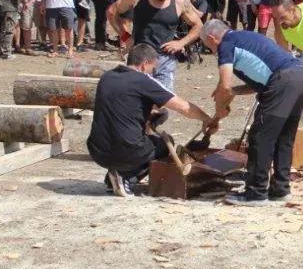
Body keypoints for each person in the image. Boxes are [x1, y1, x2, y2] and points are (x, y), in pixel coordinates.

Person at [203, 20, 303, 206]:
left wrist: (218, 114)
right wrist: (233, 92)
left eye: (208, 47)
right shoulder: (245, 37)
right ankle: (280, 189)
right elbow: (257, 83)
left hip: (283, 80)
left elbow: (225, 85)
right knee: (284, 137)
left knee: (260, 136)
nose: (212, 52)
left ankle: (256, 193)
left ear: (212, 39)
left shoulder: (226, 45)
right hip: (300, 76)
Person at [88, 42, 215, 197]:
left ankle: (112, 179)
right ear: (144, 64)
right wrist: (207, 119)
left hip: (97, 150)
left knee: (158, 119)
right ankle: (126, 176)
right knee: (164, 144)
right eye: (152, 68)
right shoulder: (143, 81)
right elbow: (182, 107)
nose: (152, 72)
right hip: (126, 150)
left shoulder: (107, 77)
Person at [106, 0, 203, 90]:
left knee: (160, 102)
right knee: (136, 99)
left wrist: (181, 43)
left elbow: (199, 26)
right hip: (139, 57)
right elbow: (112, 12)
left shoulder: (180, 3)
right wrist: (125, 36)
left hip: (166, 60)